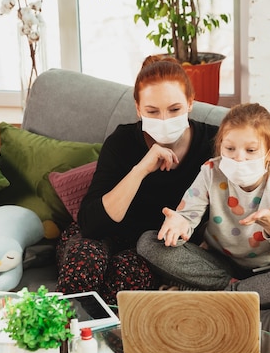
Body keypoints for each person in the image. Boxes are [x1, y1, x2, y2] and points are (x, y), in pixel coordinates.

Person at [55, 55, 219, 305]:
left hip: (151, 247)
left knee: (128, 277)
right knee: (85, 259)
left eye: (174, 109)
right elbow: (92, 225)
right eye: (152, 111)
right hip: (101, 234)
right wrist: (140, 169)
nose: (164, 120)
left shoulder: (214, 144)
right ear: (138, 109)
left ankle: (106, 341)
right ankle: (64, 338)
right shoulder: (121, 142)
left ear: (190, 103)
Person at [137, 103, 270, 309]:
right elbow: (188, 215)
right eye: (230, 148)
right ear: (220, 145)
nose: (238, 157)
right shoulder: (211, 170)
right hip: (219, 264)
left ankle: (213, 296)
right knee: (149, 242)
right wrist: (180, 223)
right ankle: (232, 295)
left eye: (251, 150)